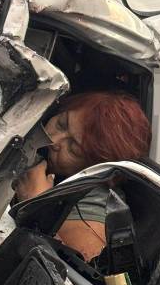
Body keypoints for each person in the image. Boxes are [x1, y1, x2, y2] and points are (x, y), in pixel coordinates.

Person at [14, 91, 151, 261]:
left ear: (95, 167)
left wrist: (37, 204)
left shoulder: (94, 207)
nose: (54, 140)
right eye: (61, 123)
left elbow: (74, 271)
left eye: (73, 149)